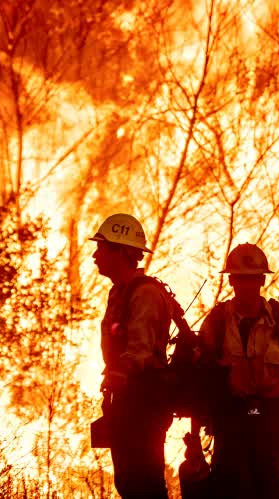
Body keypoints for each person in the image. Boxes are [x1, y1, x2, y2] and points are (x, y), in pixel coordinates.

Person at [197, 243, 279, 499]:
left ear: (262, 281)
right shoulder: (217, 322)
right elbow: (200, 377)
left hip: (270, 422)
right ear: (231, 281)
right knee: (225, 489)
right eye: (241, 279)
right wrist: (198, 424)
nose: (246, 285)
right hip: (230, 423)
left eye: (252, 279)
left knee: (270, 488)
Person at [91, 213, 173, 499]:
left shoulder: (145, 294)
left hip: (145, 401)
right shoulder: (119, 293)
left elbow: (141, 349)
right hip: (127, 400)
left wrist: (119, 372)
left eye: (101, 248)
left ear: (121, 252)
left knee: (144, 483)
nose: (95, 255)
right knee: (128, 483)